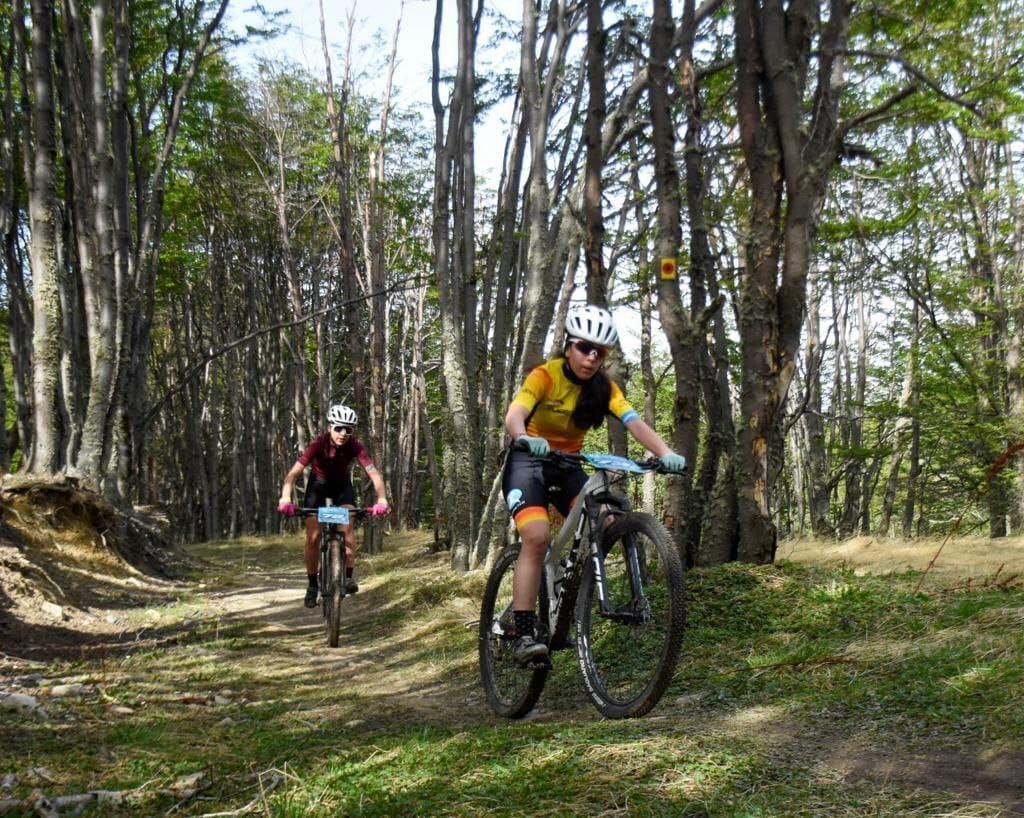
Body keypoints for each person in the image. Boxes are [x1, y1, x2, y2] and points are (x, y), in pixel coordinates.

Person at [503, 304, 686, 666]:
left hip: (568, 464)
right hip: (529, 462)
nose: (590, 357)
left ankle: (574, 603)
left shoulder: (605, 388)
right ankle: (523, 633)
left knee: (605, 523)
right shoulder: (545, 375)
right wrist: (523, 436)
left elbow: (634, 423)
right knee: (537, 537)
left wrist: (665, 452)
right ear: (569, 345)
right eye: (584, 347)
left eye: (599, 352)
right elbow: (515, 413)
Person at [277, 405, 390, 608]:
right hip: (317, 488)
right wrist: (285, 498)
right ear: (330, 427)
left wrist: (381, 499)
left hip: (341, 489)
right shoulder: (318, 444)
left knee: (347, 530)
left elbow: (373, 473)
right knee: (312, 537)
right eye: (339, 428)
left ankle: (347, 577)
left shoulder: (355, 446)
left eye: (348, 429)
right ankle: (312, 585)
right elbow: (293, 474)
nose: (343, 433)